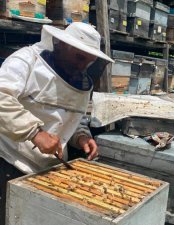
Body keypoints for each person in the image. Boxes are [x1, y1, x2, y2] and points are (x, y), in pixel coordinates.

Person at [0, 22, 114, 224]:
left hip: (52, 169)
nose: (82, 65)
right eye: (79, 57)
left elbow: (70, 116)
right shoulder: (26, 61)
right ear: (59, 43)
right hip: (11, 161)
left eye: (88, 61)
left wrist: (81, 136)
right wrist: (35, 132)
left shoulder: (82, 81)